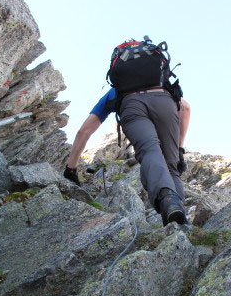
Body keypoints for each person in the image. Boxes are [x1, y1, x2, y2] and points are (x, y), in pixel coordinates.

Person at [64, 87, 191, 226]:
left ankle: (167, 200)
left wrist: (71, 169)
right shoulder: (159, 83)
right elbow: (185, 107)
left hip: (132, 108)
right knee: (172, 168)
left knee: (150, 150)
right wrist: (179, 149)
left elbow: (83, 132)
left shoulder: (117, 89)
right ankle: (181, 223)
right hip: (165, 104)